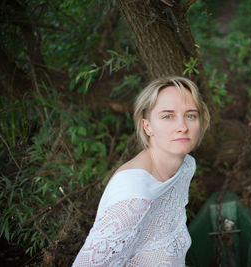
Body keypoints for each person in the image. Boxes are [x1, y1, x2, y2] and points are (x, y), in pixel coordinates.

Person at [72, 76, 210, 266]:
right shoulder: (134, 195)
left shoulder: (186, 166)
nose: (183, 127)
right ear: (148, 126)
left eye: (191, 115)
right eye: (167, 116)